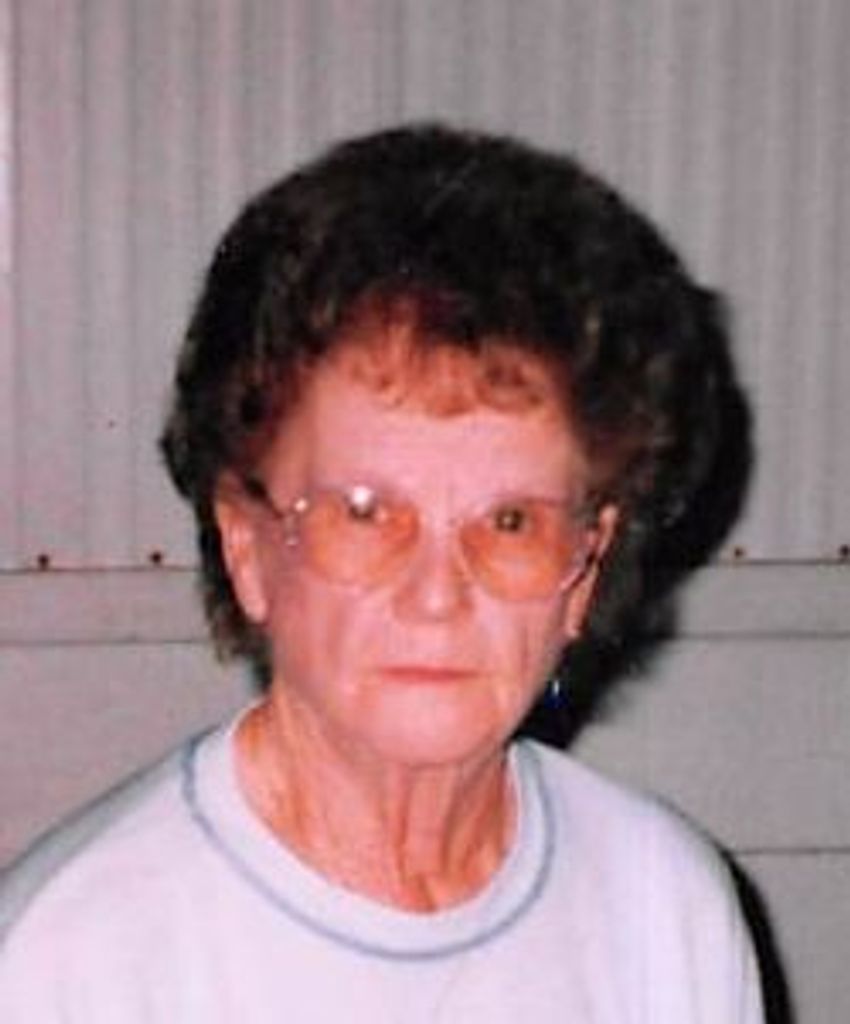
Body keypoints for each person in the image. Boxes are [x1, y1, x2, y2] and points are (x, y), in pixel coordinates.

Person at [0, 124, 764, 1021]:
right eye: (365, 513)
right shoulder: (67, 959)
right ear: (246, 546)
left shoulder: (664, 908)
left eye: (510, 522)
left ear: (585, 568)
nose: (438, 596)